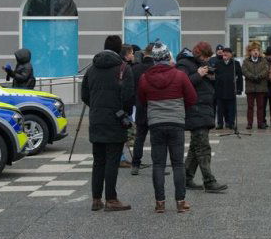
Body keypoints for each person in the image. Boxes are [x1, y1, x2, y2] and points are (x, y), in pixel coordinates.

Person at [137, 44, 197, 214]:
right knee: (178, 164)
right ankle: (180, 202)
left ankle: (160, 203)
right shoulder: (180, 75)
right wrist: (179, 108)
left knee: (158, 164)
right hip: (176, 122)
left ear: (154, 59)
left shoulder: (144, 78)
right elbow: (192, 98)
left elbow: (142, 100)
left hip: (156, 123)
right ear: (167, 57)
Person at [81, 43, 135, 212]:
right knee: (112, 160)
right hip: (115, 119)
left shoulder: (91, 70)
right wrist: (123, 112)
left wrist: (97, 106)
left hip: (96, 119)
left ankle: (96, 199)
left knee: (98, 161)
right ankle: (111, 199)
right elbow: (128, 96)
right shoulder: (123, 69)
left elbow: (84, 95)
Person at [177, 43, 227, 193]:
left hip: (203, 107)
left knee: (195, 146)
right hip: (195, 108)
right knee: (203, 147)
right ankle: (209, 181)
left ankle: (186, 177)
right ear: (198, 53)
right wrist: (198, 74)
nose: (207, 59)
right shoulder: (184, 64)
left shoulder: (199, 62)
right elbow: (181, 83)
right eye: (205, 56)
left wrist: (210, 75)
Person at [130, 44, 156, 175]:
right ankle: (158, 165)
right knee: (156, 139)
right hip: (156, 108)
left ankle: (135, 164)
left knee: (139, 137)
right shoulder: (157, 69)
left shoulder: (135, 69)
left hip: (140, 107)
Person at [214, 47, 242, 130]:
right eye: (224, 52)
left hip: (231, 90)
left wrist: (239, 89)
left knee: (231, 108)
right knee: (220, 109)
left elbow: (239, 77)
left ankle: (231, 123)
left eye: (227, 52)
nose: (225, 54)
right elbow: (215, 75)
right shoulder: (218, 63)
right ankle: (220, 123)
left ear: (231, 54)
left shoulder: (235, 63)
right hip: (220, 90)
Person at [242, 42, 269, 130]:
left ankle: (260, 123)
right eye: (253, 50)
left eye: (257, 50)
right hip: (250, 87)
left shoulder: (263, 60)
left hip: (261, 87)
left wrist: (259, 76)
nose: (255, 52)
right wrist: (252, 77)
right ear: (250, 52)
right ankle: (249, 123)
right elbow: (244, 71)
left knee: (260, 107)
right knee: (250, 107)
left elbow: (266, 70)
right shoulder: (246, 61)